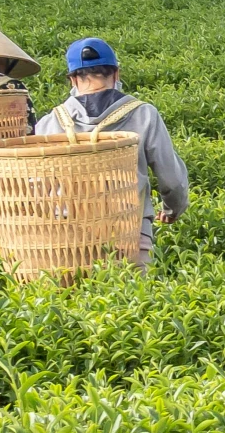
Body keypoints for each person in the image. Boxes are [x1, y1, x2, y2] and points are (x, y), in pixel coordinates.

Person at [35, 37, 188, 265]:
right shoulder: (143, 114)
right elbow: (172, 179)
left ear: (73, 79)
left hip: (67, 238)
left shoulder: (50, 123)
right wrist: (173, 208)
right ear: (116, 74)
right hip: (130, 230)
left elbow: (37, 186)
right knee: (136, 298)